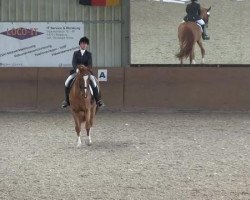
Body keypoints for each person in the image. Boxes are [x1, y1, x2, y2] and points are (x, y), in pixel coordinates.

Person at [61, 36, 105, 108]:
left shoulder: (89, 54)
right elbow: (74, 62)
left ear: (87, 45)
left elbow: (90, 64)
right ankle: (66, 100)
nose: (84, 45)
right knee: (67, 81)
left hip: (86, 73)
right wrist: (77, 69)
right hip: (77, 72)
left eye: (85, 44)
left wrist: (86, 70)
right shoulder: (75, 53)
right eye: (82, 43)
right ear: (80, 44)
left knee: (94, 82)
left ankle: (98, 100)